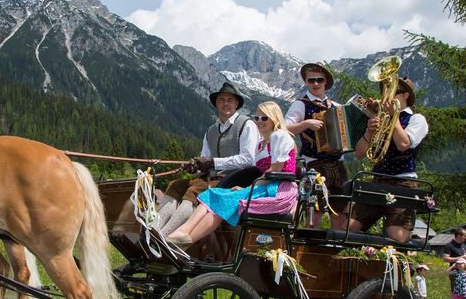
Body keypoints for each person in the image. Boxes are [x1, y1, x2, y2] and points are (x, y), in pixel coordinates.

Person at [167, 101, 297, 245]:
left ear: (274, 118)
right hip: (264, 187)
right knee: (211, 194)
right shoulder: (261, 144)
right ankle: (183, 233)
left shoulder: (279, 136)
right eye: (257, 118)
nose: (259, 121)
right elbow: (256, 171)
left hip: (278, 190)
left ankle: (186, 241)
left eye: (264, 118)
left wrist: (248, 188)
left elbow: (274, 171)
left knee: (224, 201)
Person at [158, 82, 259, 236]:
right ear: (216, 104)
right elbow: (204, 159)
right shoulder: (211, 130)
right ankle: (154, 229)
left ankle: (165, 236)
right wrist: (195, 166)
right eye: (222, 100)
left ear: (236, 104)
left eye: (230, 100)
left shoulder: (247, 124)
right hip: (211, 178)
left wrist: (214, 162)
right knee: (175, 185)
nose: (226, 103)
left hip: (236, 179)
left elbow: (248, 158)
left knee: (194, 190)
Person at [348, 77, 428, 243]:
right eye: (385, 92)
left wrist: (394, 117)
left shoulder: (417, 119)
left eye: (394, 92)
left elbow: (403, 144)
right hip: (378, 180)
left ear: (406, 95)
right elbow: (360, 153)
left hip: (403, 182)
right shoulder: (379, 117)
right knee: (348, 227)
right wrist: (369, 132)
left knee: (397, 236)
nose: (388, 96)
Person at [285, 63, 348, 229]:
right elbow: (284, 128)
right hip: (313, 164)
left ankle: (334, 244)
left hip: (338, 165)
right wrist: (306, 123)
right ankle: (310, 244)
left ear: (325, 82)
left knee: (340, 213)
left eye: (319, 80)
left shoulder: (337, 107)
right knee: (313, 212)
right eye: (311, 80)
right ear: (306, 82)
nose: (315, 83)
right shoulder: (300, 104)